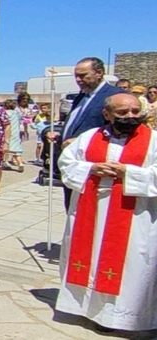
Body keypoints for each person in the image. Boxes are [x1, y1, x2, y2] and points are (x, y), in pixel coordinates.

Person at [56, 93, 157, 333]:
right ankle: (91, 312)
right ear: (107, 114)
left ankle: (127, 318)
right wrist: (92, 168)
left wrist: (128, 173)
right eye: (122, 113)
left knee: (133, 265)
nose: (130, 117)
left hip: (135, 216)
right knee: (90, 260)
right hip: (91, 212)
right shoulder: (88, 138)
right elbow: (66, 164)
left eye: (134, 111)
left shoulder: (153, 140)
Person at [47, 57, 124, 211]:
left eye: (83, 75)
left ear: (99, 73)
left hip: (95, 166)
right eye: (76, 76)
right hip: (74, 163)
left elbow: (119, 129)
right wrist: (60, 133)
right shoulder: (81, 97)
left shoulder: (114, 96)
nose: (78, 80)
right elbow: (77, 122)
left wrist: (82, 140)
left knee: (89, 212)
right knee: (72, 208)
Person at [3, 99, 25, 172]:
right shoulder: (16, 113)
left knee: (5, 148)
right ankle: (20, 163)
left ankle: (5, 161)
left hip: (7, 132)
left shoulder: (5, 113)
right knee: (16, 150)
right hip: (16, 133)